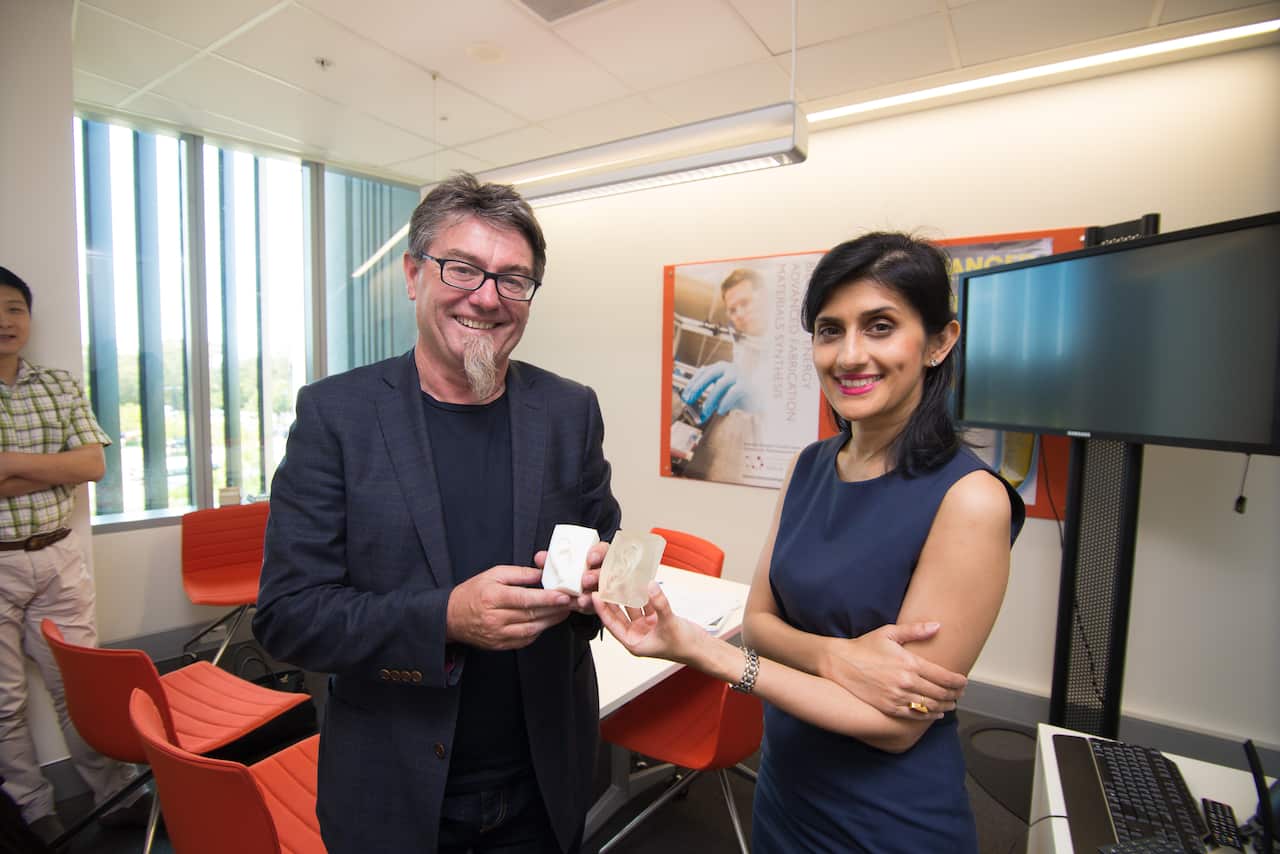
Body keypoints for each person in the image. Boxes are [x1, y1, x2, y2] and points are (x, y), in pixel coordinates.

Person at [596, 233, 1026, 851]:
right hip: (784, 792)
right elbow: (758, 623)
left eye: (880, 326)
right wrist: (837, 657)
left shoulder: (970, 499)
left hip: (886, 823)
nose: (849, 355)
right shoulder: (809, 466)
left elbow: (895, 723)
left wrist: (704, 652)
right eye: (830, 330)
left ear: (939, 342)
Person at [253, 173, 622, 854]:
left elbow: (604, 540)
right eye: (463, 268)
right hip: (395, 788)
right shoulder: (337, 416)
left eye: (514, 279)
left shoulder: (570, 411)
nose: (488, 297)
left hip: (546, 779)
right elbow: (288, 616)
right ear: (412, 275)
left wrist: (603, 580)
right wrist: (445, 619)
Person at [0, 266, 149, 843]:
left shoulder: (57, 384)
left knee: (81, 686)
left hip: (57, 555)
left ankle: (115, 796)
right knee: (5, 702)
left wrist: (9, 465)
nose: (6, 321)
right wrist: (51, 467)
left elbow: (91, 464)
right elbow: (71, 464)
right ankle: (32, 810)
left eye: (14, 308)